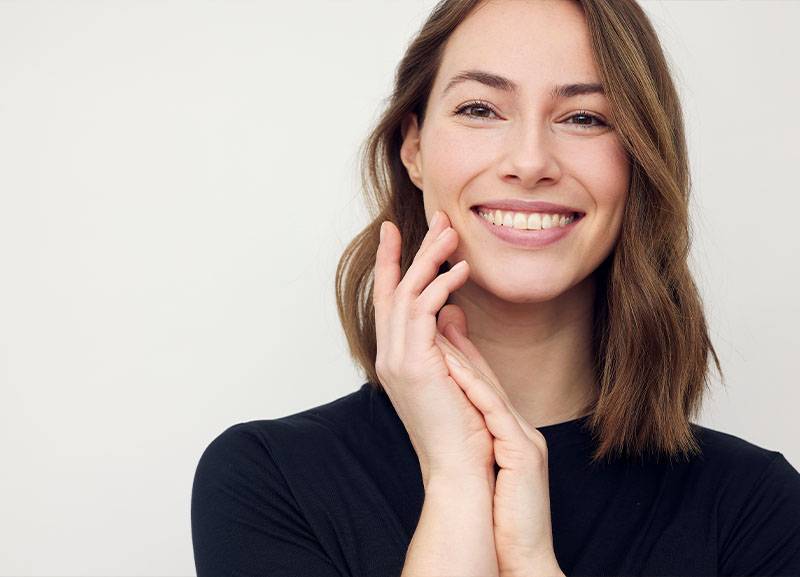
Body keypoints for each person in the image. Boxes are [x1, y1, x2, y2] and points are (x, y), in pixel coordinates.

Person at [191, 0, 800, 575]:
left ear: (639, 159)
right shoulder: (268, 480)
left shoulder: (758, 507)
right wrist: (456, 477)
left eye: (585, 117)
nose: (531, 160)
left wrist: (532, 560)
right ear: (413, 147)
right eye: (480, 109)